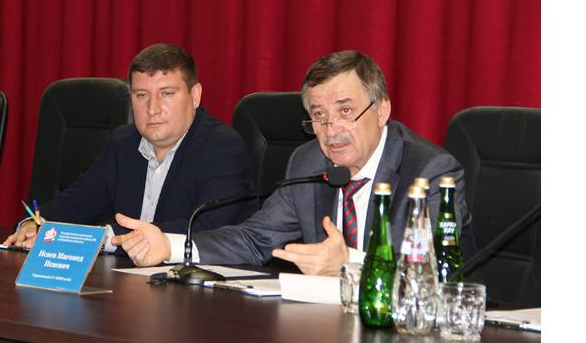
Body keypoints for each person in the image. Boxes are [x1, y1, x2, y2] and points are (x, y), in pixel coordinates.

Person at [112, 50, 476, 276]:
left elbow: (432, 274)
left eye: (345, 111)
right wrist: (170, 245)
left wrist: (350, 263)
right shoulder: (309, 162)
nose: (331, 130)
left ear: (382, 111)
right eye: (318, 115)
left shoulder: (430, 173)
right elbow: (254, 239)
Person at [2, 43, 255, 252]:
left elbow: (205, 229)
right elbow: (78, 202)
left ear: (195, 96)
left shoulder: (223, 148)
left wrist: (107, 238)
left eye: (167, 93)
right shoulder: (123, 143)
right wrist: (36, 224)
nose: (153, 109)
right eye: (142, 95)